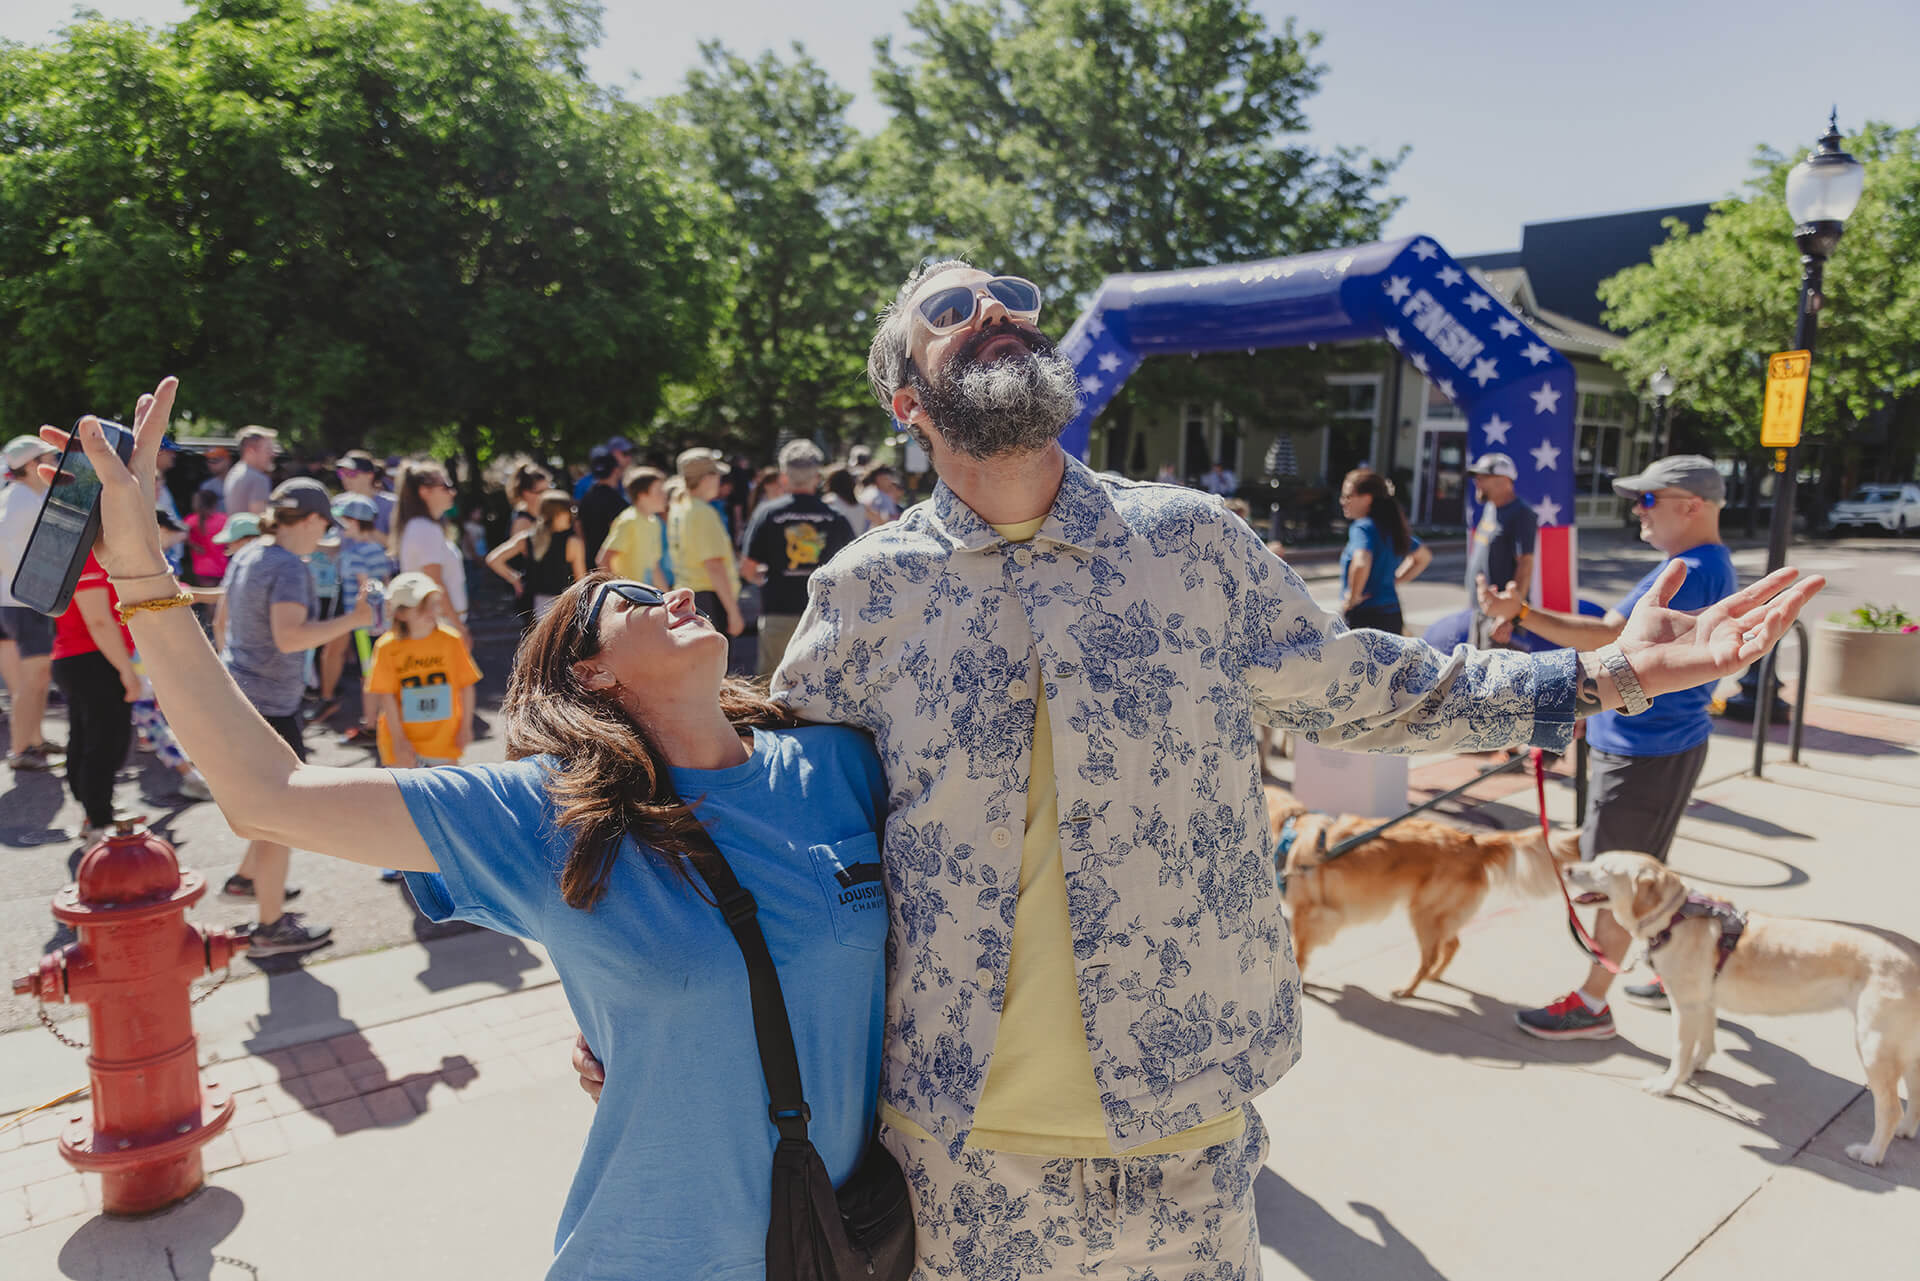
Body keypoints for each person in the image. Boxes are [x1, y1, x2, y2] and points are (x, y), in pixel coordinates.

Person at [575, 261, 1822, 1275]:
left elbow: (1377, 688)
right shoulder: (862, 597)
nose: (995, 309)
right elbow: (785, 846)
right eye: (950, 310)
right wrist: (647, 1011)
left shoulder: (1192, 543)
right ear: (907, 400)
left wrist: (1617, 674)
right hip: (958, 1155)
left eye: (1010, 292)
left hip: (1192, 1126)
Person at [67, 379, 889, 1279]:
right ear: (594, 673)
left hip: (845, 1248)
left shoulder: (840, 765)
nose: (679, 598)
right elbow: (266, 793)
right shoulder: (547, 814)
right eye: (633, 602)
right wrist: (142, 571)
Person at [1478, 455, 1742, 1039]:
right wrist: (1589, 710)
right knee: (1641, 867)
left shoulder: (1688, 567)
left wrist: (1520, 613)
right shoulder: (1709, 562)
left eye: (1648, 500)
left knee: (1614, 880)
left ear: (1690, 506)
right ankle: (1672, 967)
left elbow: (1607, 639)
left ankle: (1593, 1004)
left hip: (1645, 748)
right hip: (1657, 741)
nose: (1636, 510)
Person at [216, 477, 373, 955]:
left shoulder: (249, 552)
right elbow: (289, 637)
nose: (324, 536)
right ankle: (270, 927)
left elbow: (223, 618)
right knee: (280, 819)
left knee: (270, 814)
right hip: (271, 707)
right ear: (308, 520)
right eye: (323, 525)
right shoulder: (288, 566)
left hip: (242, 696)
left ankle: (247, 881)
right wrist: (355, 619)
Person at [741, 441, 854, 679]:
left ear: (784, 477)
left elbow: (747, 568)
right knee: (819, 681)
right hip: (823, 614)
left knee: (769, 682)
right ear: (817, 477)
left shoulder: (768, 514)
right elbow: (850, 571)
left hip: (778, 611)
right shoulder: (835, 518)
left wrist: (767, 580)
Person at [49, 550, 140, 838]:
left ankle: (95, 814)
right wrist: (127, 671)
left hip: (78, 658)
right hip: (93, 659)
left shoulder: (81, 555)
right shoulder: (87, 557)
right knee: (105, 744)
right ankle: (99, 822)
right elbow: (98, 621)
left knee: (86, 738)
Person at [366, 573, 482, 768]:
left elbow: (466, 686)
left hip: (444, 738)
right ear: (401, 614)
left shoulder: (451, 640)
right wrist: (398, 739)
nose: (431, 611)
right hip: (402, 739)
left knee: (445, 794)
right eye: (421, 606)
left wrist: (466, 727)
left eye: (434, 604)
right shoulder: (387, 647)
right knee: (404, 795)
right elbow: (386, 696)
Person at [2, 435, 62, 771]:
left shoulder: (23, 496)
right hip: (23, 602)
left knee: (32, 680)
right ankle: (22, 749)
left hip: (18, 600)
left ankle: (33, 741)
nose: (55, 464)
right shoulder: (24, 500)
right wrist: (33, 585)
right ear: (30, 466)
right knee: (31, 679)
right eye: (50, 458)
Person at [328, 493, 395, 746]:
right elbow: (387, 584)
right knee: (381, 672)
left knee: (368, 676)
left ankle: (371, 726)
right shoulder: (380, 550)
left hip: (364, 625)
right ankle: (382, 722)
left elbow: (363, 588)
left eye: (343, 523)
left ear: (354, 522)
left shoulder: (354, 553)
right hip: (383, 623)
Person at [1337, 468, 1431, 634]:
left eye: (1347, 496)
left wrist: (1352, 599)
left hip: (1364, 616)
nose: (1342, 501)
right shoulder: (1392, 527)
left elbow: (1361, 562)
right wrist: (1396, 579)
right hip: (1392, 614)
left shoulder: (1362, 527)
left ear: (1366, 498)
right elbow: (1423, 557)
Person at [669, 448, 745, 645]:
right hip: (708, 600)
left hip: (690, 596)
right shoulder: (703, 512)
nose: (720, 480)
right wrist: (733, 612)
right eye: (717, 475)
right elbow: (713, 565)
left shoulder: (679, 506)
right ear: (706, 479)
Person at [393, 459, 470, 645]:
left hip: (436, 622)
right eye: (445, 486)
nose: (453, 491)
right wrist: (459, 628)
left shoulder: (421, 527)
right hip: (438, 624)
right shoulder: (425, 528)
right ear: (424, 491)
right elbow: (435, 582)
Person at [486, 490, 586, 621]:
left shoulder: (527, 538)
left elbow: (493, 559)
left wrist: (515, 579)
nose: (572, 516)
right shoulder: (573, 543)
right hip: (561, 608)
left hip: (531, 607)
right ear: (558, 514)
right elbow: (581, 581)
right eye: (569, 511)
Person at [596, 467, 668, 588]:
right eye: (659, 491)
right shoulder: (629, 520)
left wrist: (666, 596)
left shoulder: (654, 522)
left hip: (645, 596)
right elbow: (603, 560)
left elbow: (654, 567)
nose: (665, 496)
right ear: (642, 495)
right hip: (629, 599)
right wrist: (619, 593)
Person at [575, 450, 628, 567]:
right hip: (611, 567)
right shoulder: (617, 502)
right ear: (615, 471)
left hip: (589, 563)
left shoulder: (586, 498)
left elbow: (578, 527)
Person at [335, 451, 397, 535]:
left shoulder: (392, 504)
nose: (345, 478)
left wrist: (366, 532)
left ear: (370, 475)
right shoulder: (337, 503)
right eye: (341, 473)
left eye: (351, 473)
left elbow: (399, 544)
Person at [224, 425, 279, 516]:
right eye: (268, 449)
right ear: (250, 451)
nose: (273, 454)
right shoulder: (258, 479)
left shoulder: (235, 472)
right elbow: (259, 521)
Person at [184, 489, 229, 587]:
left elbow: (182, 537)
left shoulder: (190, 521)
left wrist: (194, 546)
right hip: (222, 567)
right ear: (215, 503)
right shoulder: (223, 519)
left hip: (202, 568)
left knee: (208, 599)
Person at [821, 464, 875, 536]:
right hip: (855, 545)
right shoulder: (862, 506)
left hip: (837, 545)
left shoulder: (829, 500)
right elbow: (881, 522)